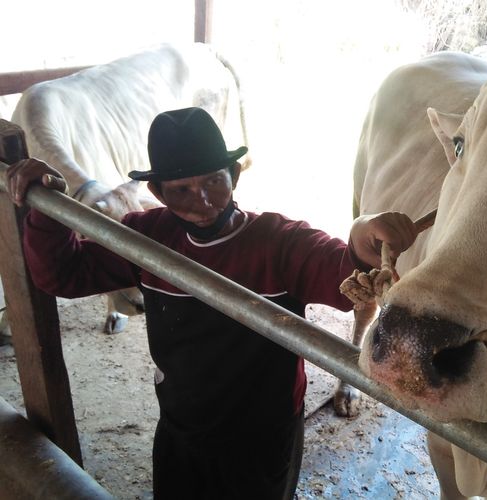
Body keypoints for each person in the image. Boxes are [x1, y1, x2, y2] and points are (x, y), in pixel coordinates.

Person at [5, 107, 418, 499]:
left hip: (262, 431)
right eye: (181, 189)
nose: (201, 201)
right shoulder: (147, 238)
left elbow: (341, 273)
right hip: (181, 425)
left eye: (213, 182)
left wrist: (362, 240)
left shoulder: (278, 243)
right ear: (157, 192)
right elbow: (64, 274)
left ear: (234, 175)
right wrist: (47, 211)